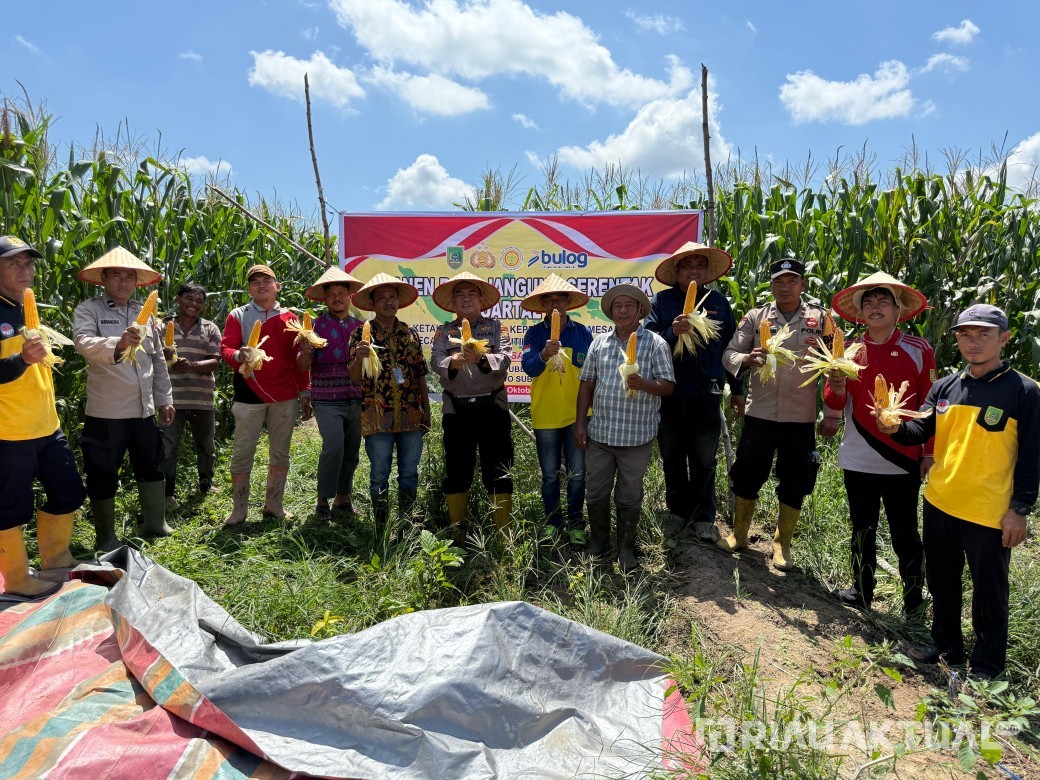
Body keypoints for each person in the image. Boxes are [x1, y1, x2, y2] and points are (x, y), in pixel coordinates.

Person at [879, 304, 1038, 679]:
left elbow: (1032, 456)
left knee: (989, 592)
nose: (974, 342)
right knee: (943, 580)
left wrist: (1020, 508)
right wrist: (895, 429)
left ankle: (986, 666)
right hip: (940, 501)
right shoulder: (945, 386)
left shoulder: (1024, 391)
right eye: (965, 334)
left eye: (984, 333)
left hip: (989, 510)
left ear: (1005, 338)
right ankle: (946, 645)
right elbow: (921, 431)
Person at [823, 272, 934, 614]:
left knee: (905, 532)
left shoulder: (919, 349)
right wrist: (836, 387)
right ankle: (862, 591)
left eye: (883, 301)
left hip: (903, 456)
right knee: (862, 528)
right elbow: (835, 402)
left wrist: (929, 453)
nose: (875, 308)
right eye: (868, 302)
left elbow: (931, 405)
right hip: (858, 456)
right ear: (859, 312)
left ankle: (914, 600)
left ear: (898, 310)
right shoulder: (850, 351)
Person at [718, 257, 829, 570]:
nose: (785, 287)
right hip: (761, 412)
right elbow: (729, 354)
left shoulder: (821, 320)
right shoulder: (756, 317)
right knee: (747, 473)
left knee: (796, 478)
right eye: (779, 282)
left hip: (801, 415)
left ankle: (782, 546)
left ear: (802, 285)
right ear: (771, 285)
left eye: (792, 281)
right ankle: (740, 535)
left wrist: (831, 412)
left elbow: (836, 364)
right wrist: (747, 359)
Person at [0, 236, 86, 596]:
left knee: (68, 492)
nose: (25, 270)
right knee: (9, 509)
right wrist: (22, 360)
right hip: (9, 431)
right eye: (13, 263)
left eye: (29, 263)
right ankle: (18, 579)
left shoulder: (28, 308)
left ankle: (55, 561)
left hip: (47, 426)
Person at [73, 247, 175, 550]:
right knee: (103, 472)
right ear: (103, 278)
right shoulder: (89, 310)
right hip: (107, 412)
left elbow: (157, 361)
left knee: (151, 464)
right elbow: (83, 342)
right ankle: (106, 536)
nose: (123, 281)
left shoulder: (147, 314)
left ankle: (155, 523)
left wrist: (165, 399)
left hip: (143, 410)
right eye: (115, 275)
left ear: (136, 281)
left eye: (129, 276)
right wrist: (117, 343)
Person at [576, 283, 675, 571]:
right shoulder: (599, 343)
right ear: (610, 312)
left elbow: (668, 386)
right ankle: (599, 541)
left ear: (640, 311)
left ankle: (625, 547)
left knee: (629, 495)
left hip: (636, 437)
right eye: (617, 307)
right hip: (601, 435)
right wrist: (581, 422)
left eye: (628, 306)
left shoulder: (656, 344)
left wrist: (644, 383)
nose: (622, 311)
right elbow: (587, 384)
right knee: (595, 492)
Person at [645, 242, 738, 544]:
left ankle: (704, 516)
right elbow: (647, 341)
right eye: (687, 265)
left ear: (706, 271)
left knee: (704, 458)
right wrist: (672, 332)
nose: (694, 270)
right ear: (677, 272)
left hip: (706, 391)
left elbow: (730, 349)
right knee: (672, 455)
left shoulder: (719, 302)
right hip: (668, 393)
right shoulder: (661, 302)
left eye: (699, 264)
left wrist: (737, 390)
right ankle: (676, 512)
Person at [221, 264, 311, 525]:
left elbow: (297, 361)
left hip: (284, 394)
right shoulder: (238, 315)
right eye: (255, 282)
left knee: (280, 452)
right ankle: (239, 509)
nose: (261, 285)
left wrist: (305, 391)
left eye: (267, 281)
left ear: (277, 286)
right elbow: (227, 348)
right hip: (249, 391)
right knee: (242, 451)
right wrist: (241, 354)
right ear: (249, 288)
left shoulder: (291, 318)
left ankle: (274, 504)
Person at [431, 271, 513, 539]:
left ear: (481, 300)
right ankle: (458, 531)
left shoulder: (497, 328)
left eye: (471, 294)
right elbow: (436, 361)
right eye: (460, 294)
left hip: (493, 408)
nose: (466, 299)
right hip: (456, 410)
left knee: (498, 468)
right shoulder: (444, 331)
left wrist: (480, 357)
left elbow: (505, 359)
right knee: (457, 469)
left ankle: (503, 532)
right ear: (453, 302)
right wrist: (452, 362)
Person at [348, 272, 431, 525]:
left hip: (411, 415)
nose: (388, 302)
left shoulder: (410, 334)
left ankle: (406, 526)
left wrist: (426, 411)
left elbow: (419, 376)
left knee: (409, 473)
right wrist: (359, 357)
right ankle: (381, 527)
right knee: (379, 473)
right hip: (376, 416)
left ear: (399, 302)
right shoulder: (360, 335)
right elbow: (353, 377)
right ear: (373, 305)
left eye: (392, 297)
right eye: (381, 298)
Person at [520, 274, 594, 543]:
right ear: (541, 304)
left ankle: (576, 524)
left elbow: (592, 373)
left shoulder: (583, 333)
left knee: (577, 475)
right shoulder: (534, 334)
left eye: (559, 299)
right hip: (546, 416)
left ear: (568, 303)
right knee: (550, 475)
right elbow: (528, 368)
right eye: (548, 299)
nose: (554, 304)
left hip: (578, 415)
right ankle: (552, 522)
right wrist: (543, 354)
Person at [296, 266, 364, 519]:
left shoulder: (360, 327)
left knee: (352, 449)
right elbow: (303, 366)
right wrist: (305, 349)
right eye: (331, 294)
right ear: (324, 299)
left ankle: (343, 498)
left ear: (350, 297)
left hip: (355, 396)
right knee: (333, 446)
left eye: (342, 293)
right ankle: (323, 499)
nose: (337, 297)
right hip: (326, 398)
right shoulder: (313, 327)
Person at [160, 283, 222, 509]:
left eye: (199, 301)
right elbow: (153, 359)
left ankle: (206, 484)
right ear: (178, 299)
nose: (194, 304)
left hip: (201, 398)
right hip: (171, 399)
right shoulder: (163, 326)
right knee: (168, 447)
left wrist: (191, 365)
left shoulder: (210, 328)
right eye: (189, 298)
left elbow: (215, 362)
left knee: (206, 446)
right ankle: (168, 494)